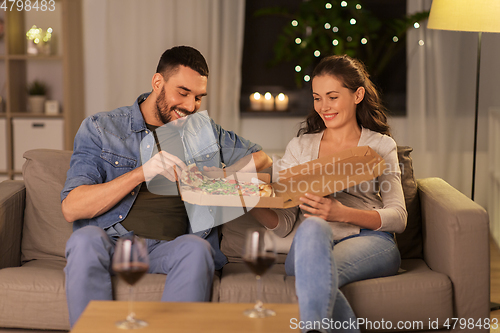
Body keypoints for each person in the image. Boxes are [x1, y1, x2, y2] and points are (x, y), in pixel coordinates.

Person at [61, 45, 272, 327]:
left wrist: (220, 176)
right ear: (157, 82)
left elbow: (262, 157)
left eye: (198, 97)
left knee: (198, 249)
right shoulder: (102, 128)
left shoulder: (204, 133)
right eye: (182, 93)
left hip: (171, 248)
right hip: (113, 243)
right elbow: (72, 208)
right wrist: (142, 173)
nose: (190, 106)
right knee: (84, 240)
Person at [249, 55, 407, 333]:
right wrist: (246, 199)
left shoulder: (380, 145)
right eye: (317, 98)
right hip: (310, 243)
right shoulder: (300, 147)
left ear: (358, 95)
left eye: (332, 97)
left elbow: (399, 217)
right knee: (312, 227)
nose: (324, 107)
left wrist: (341, 213)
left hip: (369, 241)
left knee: (311, 277)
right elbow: (285, 223)